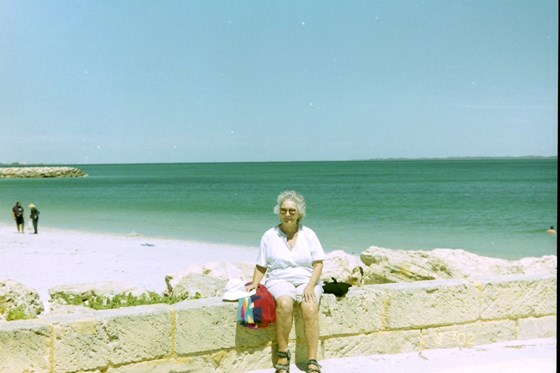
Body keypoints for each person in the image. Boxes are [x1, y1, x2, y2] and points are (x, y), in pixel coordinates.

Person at [246, 190, 325, 373]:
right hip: (279, 279)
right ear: (278, 212)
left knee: (310, 307)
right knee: (284, 303)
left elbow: (318, 264)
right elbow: (261, 265)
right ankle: (282, 353)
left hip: (307, 279)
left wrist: (310, 286)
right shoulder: (269, 236)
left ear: (299, 213)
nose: (287, 214)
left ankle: (312, 359)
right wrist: (254, 283)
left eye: (292, 210)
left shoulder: (309, 234)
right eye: (283, 210)